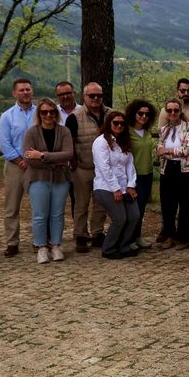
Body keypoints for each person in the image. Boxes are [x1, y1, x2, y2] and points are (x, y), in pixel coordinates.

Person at [22, 98, 73, 263]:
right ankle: (41, 246)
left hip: (61, 179)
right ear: (39, 114)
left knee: (57, 214)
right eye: (44, 112)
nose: (48, 115)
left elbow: (68, 154)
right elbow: (29, 159)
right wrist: (55, 161)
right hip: (38, 178)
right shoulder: (32, 132)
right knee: (39, 214)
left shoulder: (64, 131)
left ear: (56, 113)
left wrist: (43, 155)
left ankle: (56, 245)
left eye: (51, 111)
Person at [65, 82, 111, 252]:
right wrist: (74, 163)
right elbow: (69, 142)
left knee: (101, 203)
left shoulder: (111, 114)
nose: (95, 99)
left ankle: (98, 232)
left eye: (98, 95)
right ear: (84, 97)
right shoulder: (74, 117)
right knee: (81, 203)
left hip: (104, 169)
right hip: (83, 167)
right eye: (92, 96)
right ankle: (80, 235)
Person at [92, 111, 139, 259]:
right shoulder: (101, 142)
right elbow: (104, 168)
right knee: (120, 218)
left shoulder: (123, 142)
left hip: (125, 187)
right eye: (116, 123)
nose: (119, 126)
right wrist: (116, 189)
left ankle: (123, 246)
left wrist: (131, 185)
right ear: (108, 124)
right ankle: (109, 248)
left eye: (122, 123)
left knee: (134, 216)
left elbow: (130, 165)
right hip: (106, 187)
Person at [0, 77, 36, 258]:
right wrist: (20, 161)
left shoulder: (42, 113)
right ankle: (12, 242)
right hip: (15, 166)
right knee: (12, 206)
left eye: (28, 89)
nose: (25, 93)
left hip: (38, 167)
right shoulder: (7, 116)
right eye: (21, 90)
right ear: (14, 93)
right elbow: (4, 143)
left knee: (39, 205)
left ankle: (40, 240)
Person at [156, 98, 189, 249]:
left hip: (185, 170)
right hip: (167, 169)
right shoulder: (163, 130)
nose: (173, 113)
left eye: (175, 110)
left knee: (185, 204)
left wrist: (167, 151)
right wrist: (170, 152)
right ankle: (170, 235)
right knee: (168, 204)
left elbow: (186, 150)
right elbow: (158, 150)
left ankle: (184, 237)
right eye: (169, 110)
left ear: (180, 111)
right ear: (166, 112)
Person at [126, 99, 158, 249]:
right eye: (140, 113)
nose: (143, 116)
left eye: (146, 114)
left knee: (142, 207)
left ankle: (137, 236)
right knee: (133, 209)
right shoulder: (127, 132)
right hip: (133, 175)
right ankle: (129, 239)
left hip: (147, 173)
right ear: (134, 113)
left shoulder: (146, 132)